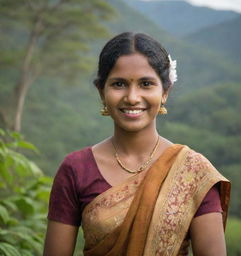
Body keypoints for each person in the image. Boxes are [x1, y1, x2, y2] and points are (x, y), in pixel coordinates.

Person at [43, 32, 231, 256]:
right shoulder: (76, 169)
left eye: (146, 84)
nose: (132, 97)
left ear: (165, 92)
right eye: (119, 84)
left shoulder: (194, 172)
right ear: (101, 92)